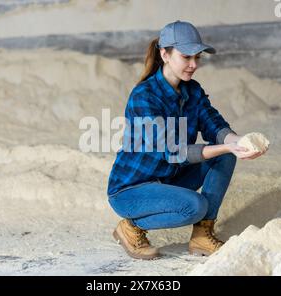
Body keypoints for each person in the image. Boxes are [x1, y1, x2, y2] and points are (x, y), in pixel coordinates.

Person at [106, 20, 267, 260]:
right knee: (194, 206)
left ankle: (202, 236)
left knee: (225, 155)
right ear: (165, 54)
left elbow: (214, 124)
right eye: (186, 57)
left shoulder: (193, 90)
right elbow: (173, 151)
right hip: (132, 190)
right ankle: (130, 228)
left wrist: (238, 141)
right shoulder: (144, 97)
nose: (193, 65)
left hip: (168, 177)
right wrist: (226, 146)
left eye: (197, 57)